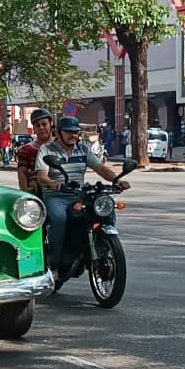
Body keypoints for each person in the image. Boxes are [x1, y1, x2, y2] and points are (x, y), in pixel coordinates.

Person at [36, 117, 131, 275]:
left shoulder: (84, 149)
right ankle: (53, 263)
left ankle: (103, 247)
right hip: (56, 196)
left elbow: (100, 168)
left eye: (75, 132)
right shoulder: (47, 150)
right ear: (59, 133)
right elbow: (41, 176)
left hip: (79, 194)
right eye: (68, 132)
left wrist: (116, 180)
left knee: (104, 208)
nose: (73, 135)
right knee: (60, 219)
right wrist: (52, 183)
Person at [16, 109, 53, 195]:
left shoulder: (60, 145)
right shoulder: (26, 149)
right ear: (34, 129)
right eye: (37, 125)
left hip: (58, 191)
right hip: (36, 192)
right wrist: (25, 191)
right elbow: (22, 172)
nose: (41, 128)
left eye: (44, 124)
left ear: (51, 124)